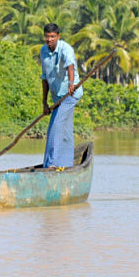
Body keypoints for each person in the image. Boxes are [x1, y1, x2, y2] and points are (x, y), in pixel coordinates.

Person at [40, 23, 83, 168]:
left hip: (70, 94)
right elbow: (45, 78)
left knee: (57, 127)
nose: (49, 39)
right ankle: (65, 164)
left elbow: (70, 65)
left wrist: (71, 83)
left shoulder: (66, 49)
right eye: (47, 36)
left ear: (58, 37)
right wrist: (44, 103)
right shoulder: (43, 51)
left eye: (52, 37)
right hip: (57, 97)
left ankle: (51, 165)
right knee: (63, 130)